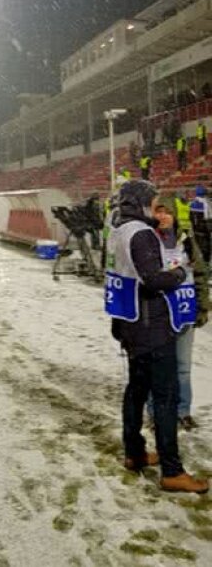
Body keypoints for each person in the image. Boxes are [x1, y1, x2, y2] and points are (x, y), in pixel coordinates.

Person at [107, 180, 208, 492]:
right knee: (165, 397)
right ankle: (172, 471)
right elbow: (153, 280)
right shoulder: (141, 233)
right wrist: (179, 273)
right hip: (151, 326)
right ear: (141, 202)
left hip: (130, 321)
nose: (155, 208)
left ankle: (134, 452)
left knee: (136, 390)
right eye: (152, 203)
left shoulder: (117, 230)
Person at [147, 197, 206, 431]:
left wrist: (203, 307)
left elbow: (200, 274)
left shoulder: (187, 242)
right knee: (157, 367)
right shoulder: (146, 241)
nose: (162, 216)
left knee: (182, 367)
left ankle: (183, 411)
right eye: (158, 211)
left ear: (174, 215)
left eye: (167, 212)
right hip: (158, 315)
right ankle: (155, 413)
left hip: (184, 312)